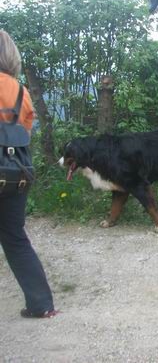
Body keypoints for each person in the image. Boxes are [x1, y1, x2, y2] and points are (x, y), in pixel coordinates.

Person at [0, 29, 57, 318]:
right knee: (15, 238)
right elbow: (24, 134)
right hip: (16, 174)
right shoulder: (21, 92)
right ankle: (41, 304)